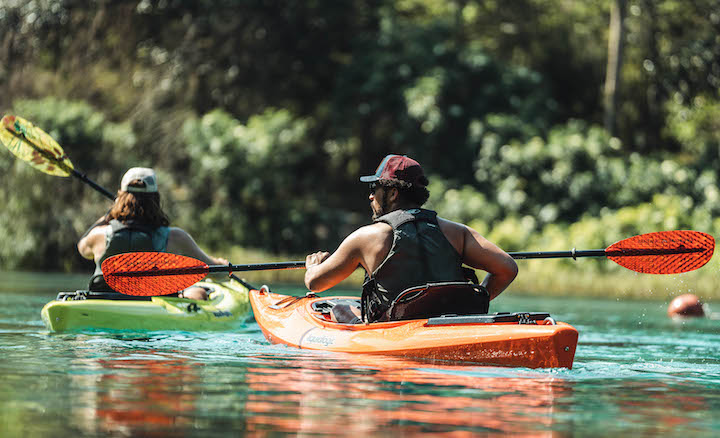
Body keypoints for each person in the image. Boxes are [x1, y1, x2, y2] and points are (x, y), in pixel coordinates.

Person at [304, 154, 518, 323]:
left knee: (341, 308)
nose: (370, 196)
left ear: (393, 193)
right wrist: (469, 306)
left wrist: (314, 267)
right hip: (453, 324)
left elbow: (315, 283)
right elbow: (507, 268)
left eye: (374, 188)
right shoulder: (457, 232)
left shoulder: (366, 237)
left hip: (396, 331)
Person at [77, 167, 227, 300]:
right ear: (156, 199)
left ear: (120, 198)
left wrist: (108, 215)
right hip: (153, 306)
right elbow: (216, 272)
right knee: (196, 291)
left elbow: (82, 248)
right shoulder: (175, 237)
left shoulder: (98, 235)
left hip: (105, 302)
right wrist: (223, 264)